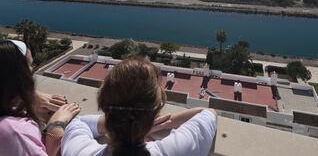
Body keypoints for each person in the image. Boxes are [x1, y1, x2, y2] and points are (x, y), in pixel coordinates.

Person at [62, 57, 217, 156]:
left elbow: (77, 122)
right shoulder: (177, 149)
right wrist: (163, 124)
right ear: (154, 112)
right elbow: (208, 113)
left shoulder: (79, 151)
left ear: (103, 104)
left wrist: (126, 126)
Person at [0, 39, 81, 156]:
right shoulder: (15, 131)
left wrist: (29, 95)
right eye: (29, 65)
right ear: (18, 75)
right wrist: (55, 125)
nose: (32, 69)